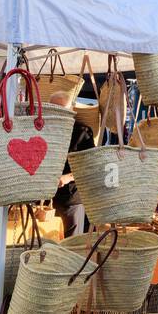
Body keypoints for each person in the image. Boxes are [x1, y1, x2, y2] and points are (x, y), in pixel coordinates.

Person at [50, 92, 93, 237]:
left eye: (62, 109)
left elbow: (89, 167)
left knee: (71, 244)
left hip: (70, 200)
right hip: (45, 199)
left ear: (71, 110)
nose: (58, 113)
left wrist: (67, 177)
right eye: (53, 108)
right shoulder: (43, 130)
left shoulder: (82, 132)